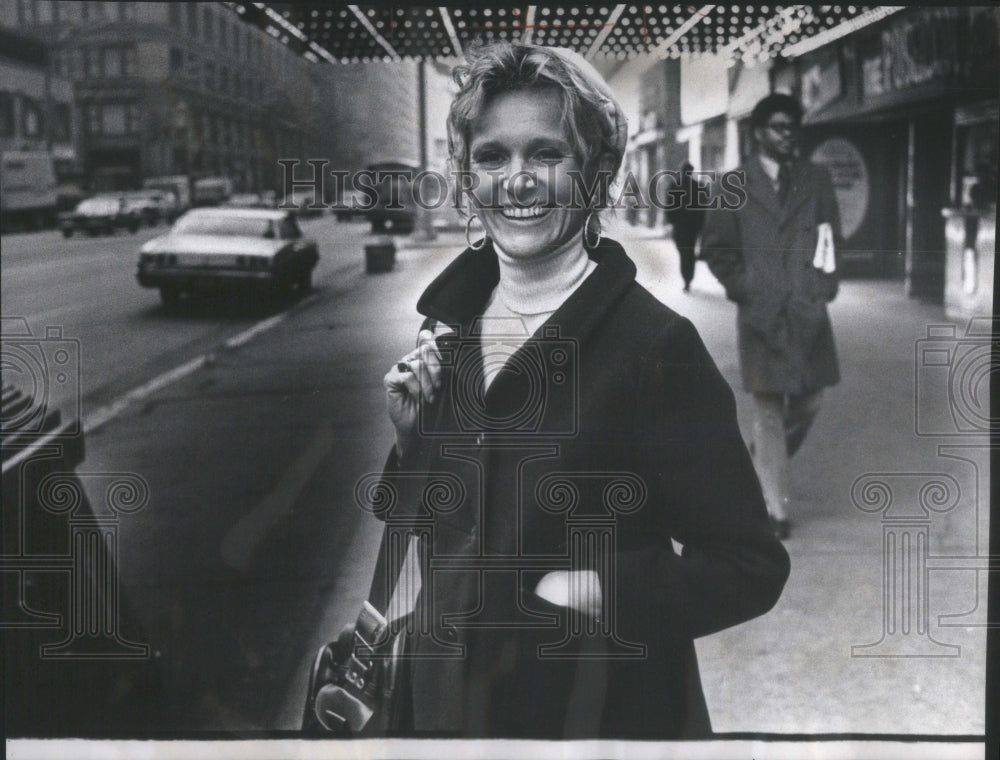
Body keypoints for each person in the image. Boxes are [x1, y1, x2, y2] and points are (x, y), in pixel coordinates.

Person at [377, 42, 789, 739]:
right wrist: (412, 442)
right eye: (492, 156)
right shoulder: (450, 327)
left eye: (546, 154)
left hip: (596, 714)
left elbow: (749, 565)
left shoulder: (655, 348)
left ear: (594, 174)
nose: (518, 180)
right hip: (448, 705)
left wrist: (599, 590)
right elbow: (435, 534)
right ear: (468, 177)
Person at [700, 93, 841, 540]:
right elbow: (716, 250)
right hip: (761, 314)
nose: (788, 135)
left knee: (809, 401)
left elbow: (831, 237)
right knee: (767, 411)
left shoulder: (816, 179)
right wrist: (745, 289)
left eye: (793, 127)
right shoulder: (733, 183)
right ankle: (772, 508)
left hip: (806, 310)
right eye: (779, 127)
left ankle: (757, 464)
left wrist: (823, 288)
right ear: (758, 131)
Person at [666, 161, 705, 292]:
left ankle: (686, 278)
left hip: (680, 225)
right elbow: (704, 207)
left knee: (683, 251)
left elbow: (669, 205)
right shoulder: (698, 186)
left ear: (682, 171)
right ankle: (688, 278)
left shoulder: (674, 185)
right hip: (692, 226)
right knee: (689, 250)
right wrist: (700, 224)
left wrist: (671, 220)